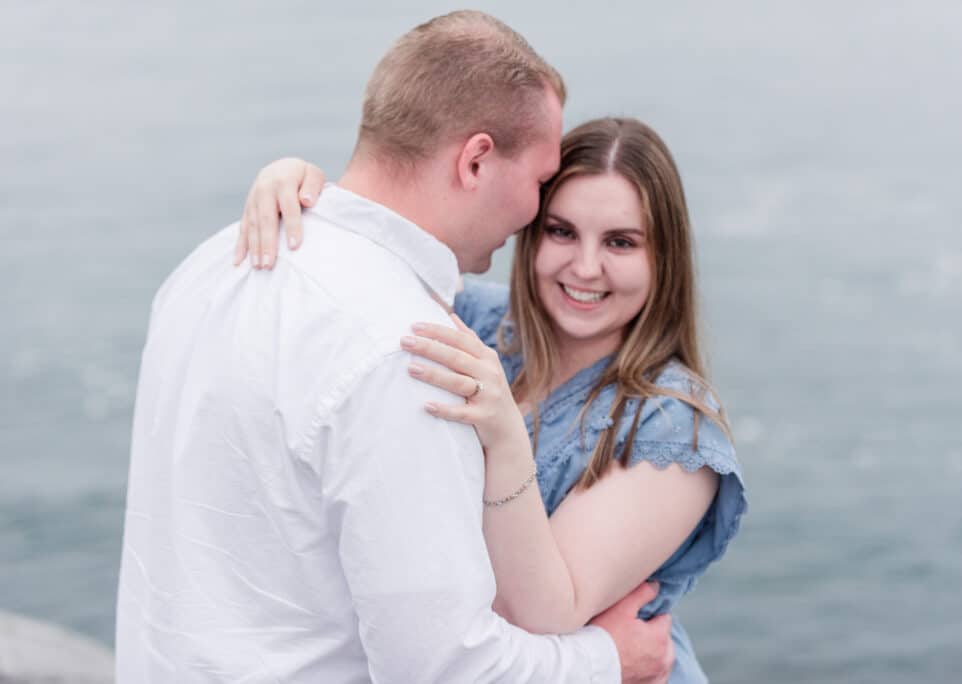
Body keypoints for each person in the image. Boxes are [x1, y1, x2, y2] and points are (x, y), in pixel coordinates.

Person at [116, 11, 676, 683]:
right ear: (475, 160)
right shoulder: (414, 352)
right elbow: (442, 670)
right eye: (539, 182)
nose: (534, 210)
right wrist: (607, 660)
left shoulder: (212, 264)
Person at [240, 118, 748, 683]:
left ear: (665, 258)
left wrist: (505, 436)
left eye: (620, 242)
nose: (584, 267)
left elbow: (544, 613)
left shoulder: (673, 429)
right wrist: (297, 187)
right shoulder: (478, 324)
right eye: (561, 232)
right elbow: (372, 251)